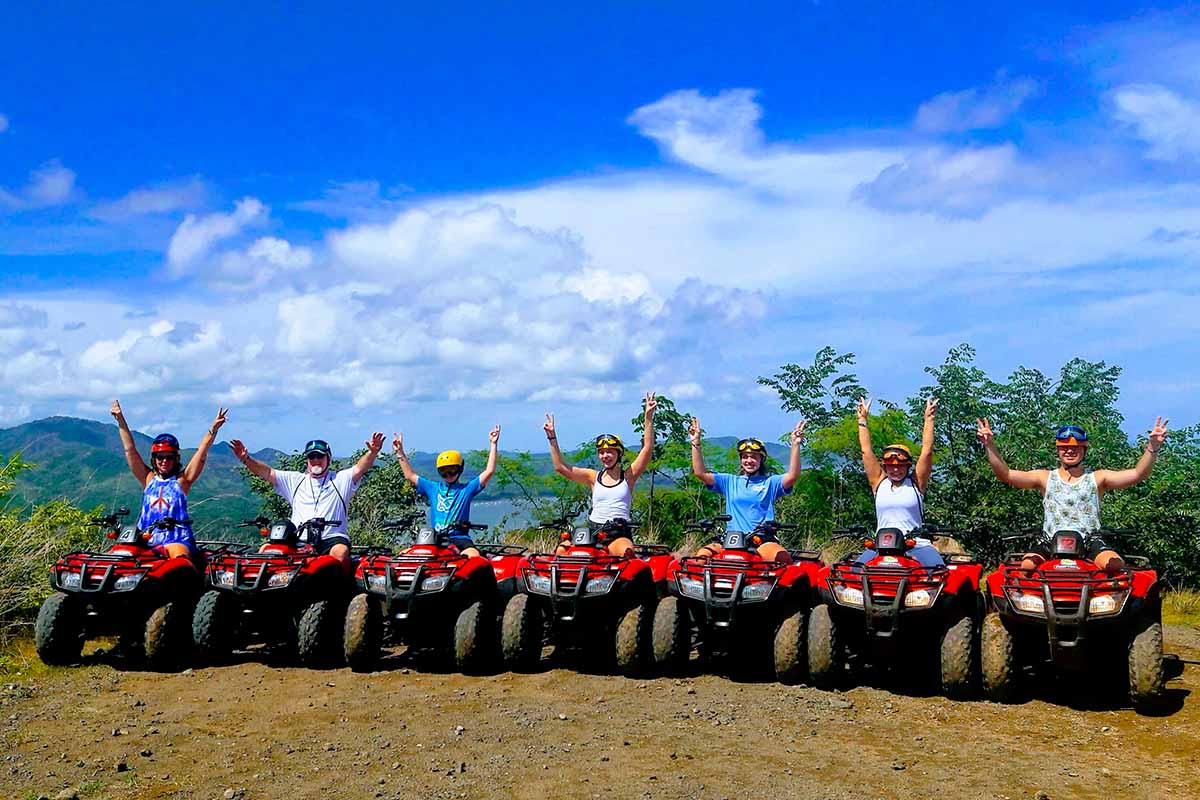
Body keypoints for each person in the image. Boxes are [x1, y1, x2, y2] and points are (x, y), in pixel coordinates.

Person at [976, 417, 1169, 572]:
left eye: (1075, 448)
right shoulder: (1045, 478)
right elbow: (1006, 475)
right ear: (1058, 451)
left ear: (1084, 450)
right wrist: (989, 445)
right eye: (1064, 448)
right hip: (1050, 539)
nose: (1069, 451)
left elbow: (1138, 474)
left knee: (1114, 565)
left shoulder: (1097, 478)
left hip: (1089, 540)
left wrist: (1152, 447)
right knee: (1026, 566)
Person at [231, 433, 385, 567]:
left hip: (331, 538)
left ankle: (340, 595)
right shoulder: (295, 480)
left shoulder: (339, 479)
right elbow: (267, 472)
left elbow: (360, 468)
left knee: (340, 552)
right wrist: (246, 459)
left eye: (320, 456)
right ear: (307, 460)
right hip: (298, 538)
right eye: (312, 456)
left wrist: (372, 452)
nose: (316, 460)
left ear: (328, 458)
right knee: (266, 550)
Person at [543, 391, 657, 557]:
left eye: (610, 451)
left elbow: (647, 449)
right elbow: (561, 467)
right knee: (562, 550)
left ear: (619, 453)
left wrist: (648, 417)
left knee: (626, 553)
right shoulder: (592, 477)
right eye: (602, 452)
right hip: (592, 531)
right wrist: (552, 437)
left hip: (618, 533)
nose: (605, 456)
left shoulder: (628, 476)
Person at [111, 399, 227, 559]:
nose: (164, 461)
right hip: (144, 539)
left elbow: (201, 453)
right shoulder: (148, 478)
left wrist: (213, 429)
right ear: (154, 458)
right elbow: (130, 450)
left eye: (169, 457)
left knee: (178, 558)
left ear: (176, 459)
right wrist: (120, 419)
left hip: (177, 539)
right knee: (118, 555)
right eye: (160, 457)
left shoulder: (182, 481)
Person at [688, 416, 807, 563]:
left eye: (754, 457)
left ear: (761, 459)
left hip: (761, 539)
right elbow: (700, 473)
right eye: (745, 457)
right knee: (700, 557)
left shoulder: (770, 483)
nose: (749, 460)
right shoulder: (729, 481)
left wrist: (795, 444)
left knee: (782, 560)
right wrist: (695, 441)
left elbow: (793, 475)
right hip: (732, 538)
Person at [855, 396, 943, 568]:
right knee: (854, 574)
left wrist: (929, 419)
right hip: (880, 546)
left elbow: (926, 452)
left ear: (908, 466)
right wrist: (862, 420)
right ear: (885, 467)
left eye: (901, 466)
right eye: (890, 466)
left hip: (916, 545)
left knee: (940, 575)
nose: (895, 469)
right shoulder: (879, 483)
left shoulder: (916, 484)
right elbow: (866, 451)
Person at [392, 425, 500, 558]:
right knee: (404, 556)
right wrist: (399, 452)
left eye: (452, 470)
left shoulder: (466, 490)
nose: (448, 474)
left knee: (474, 558)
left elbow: (489, 471)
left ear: (459, 469)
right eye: (443, 471)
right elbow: (410, 475)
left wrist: (493, 444)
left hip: (460, 539)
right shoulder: (433, 488)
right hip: (434, 539)